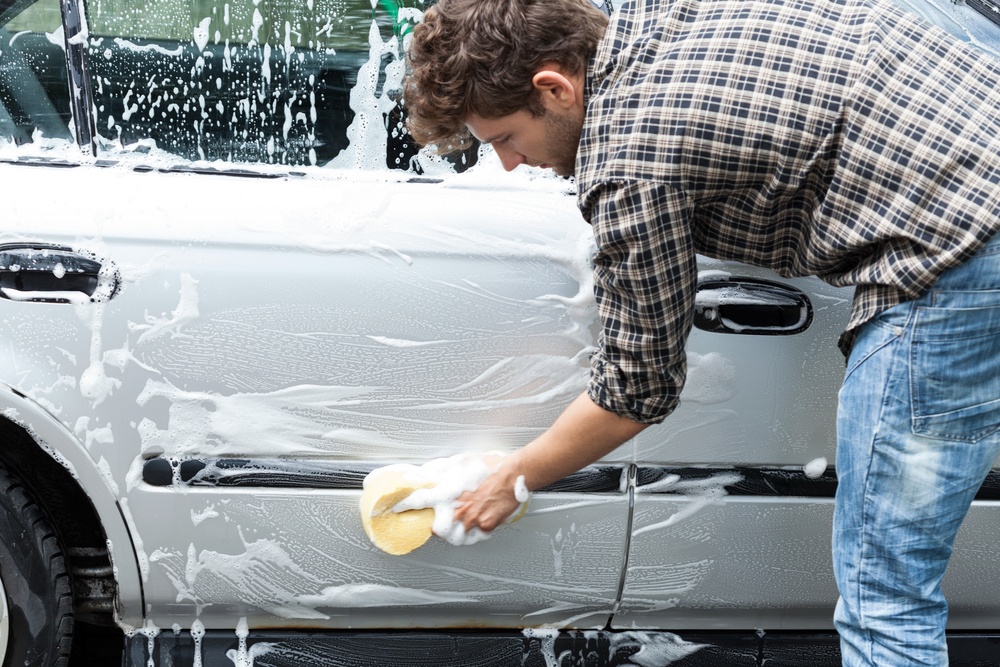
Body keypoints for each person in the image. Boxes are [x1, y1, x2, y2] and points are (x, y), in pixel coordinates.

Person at [401, 0, 1000, 664]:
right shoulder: (655, 16)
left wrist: (511, 477)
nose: (510, 164)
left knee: (886, 595)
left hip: (964, 251)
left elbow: (637, 387)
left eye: (505, 140)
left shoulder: (629, 161)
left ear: (554, 88)